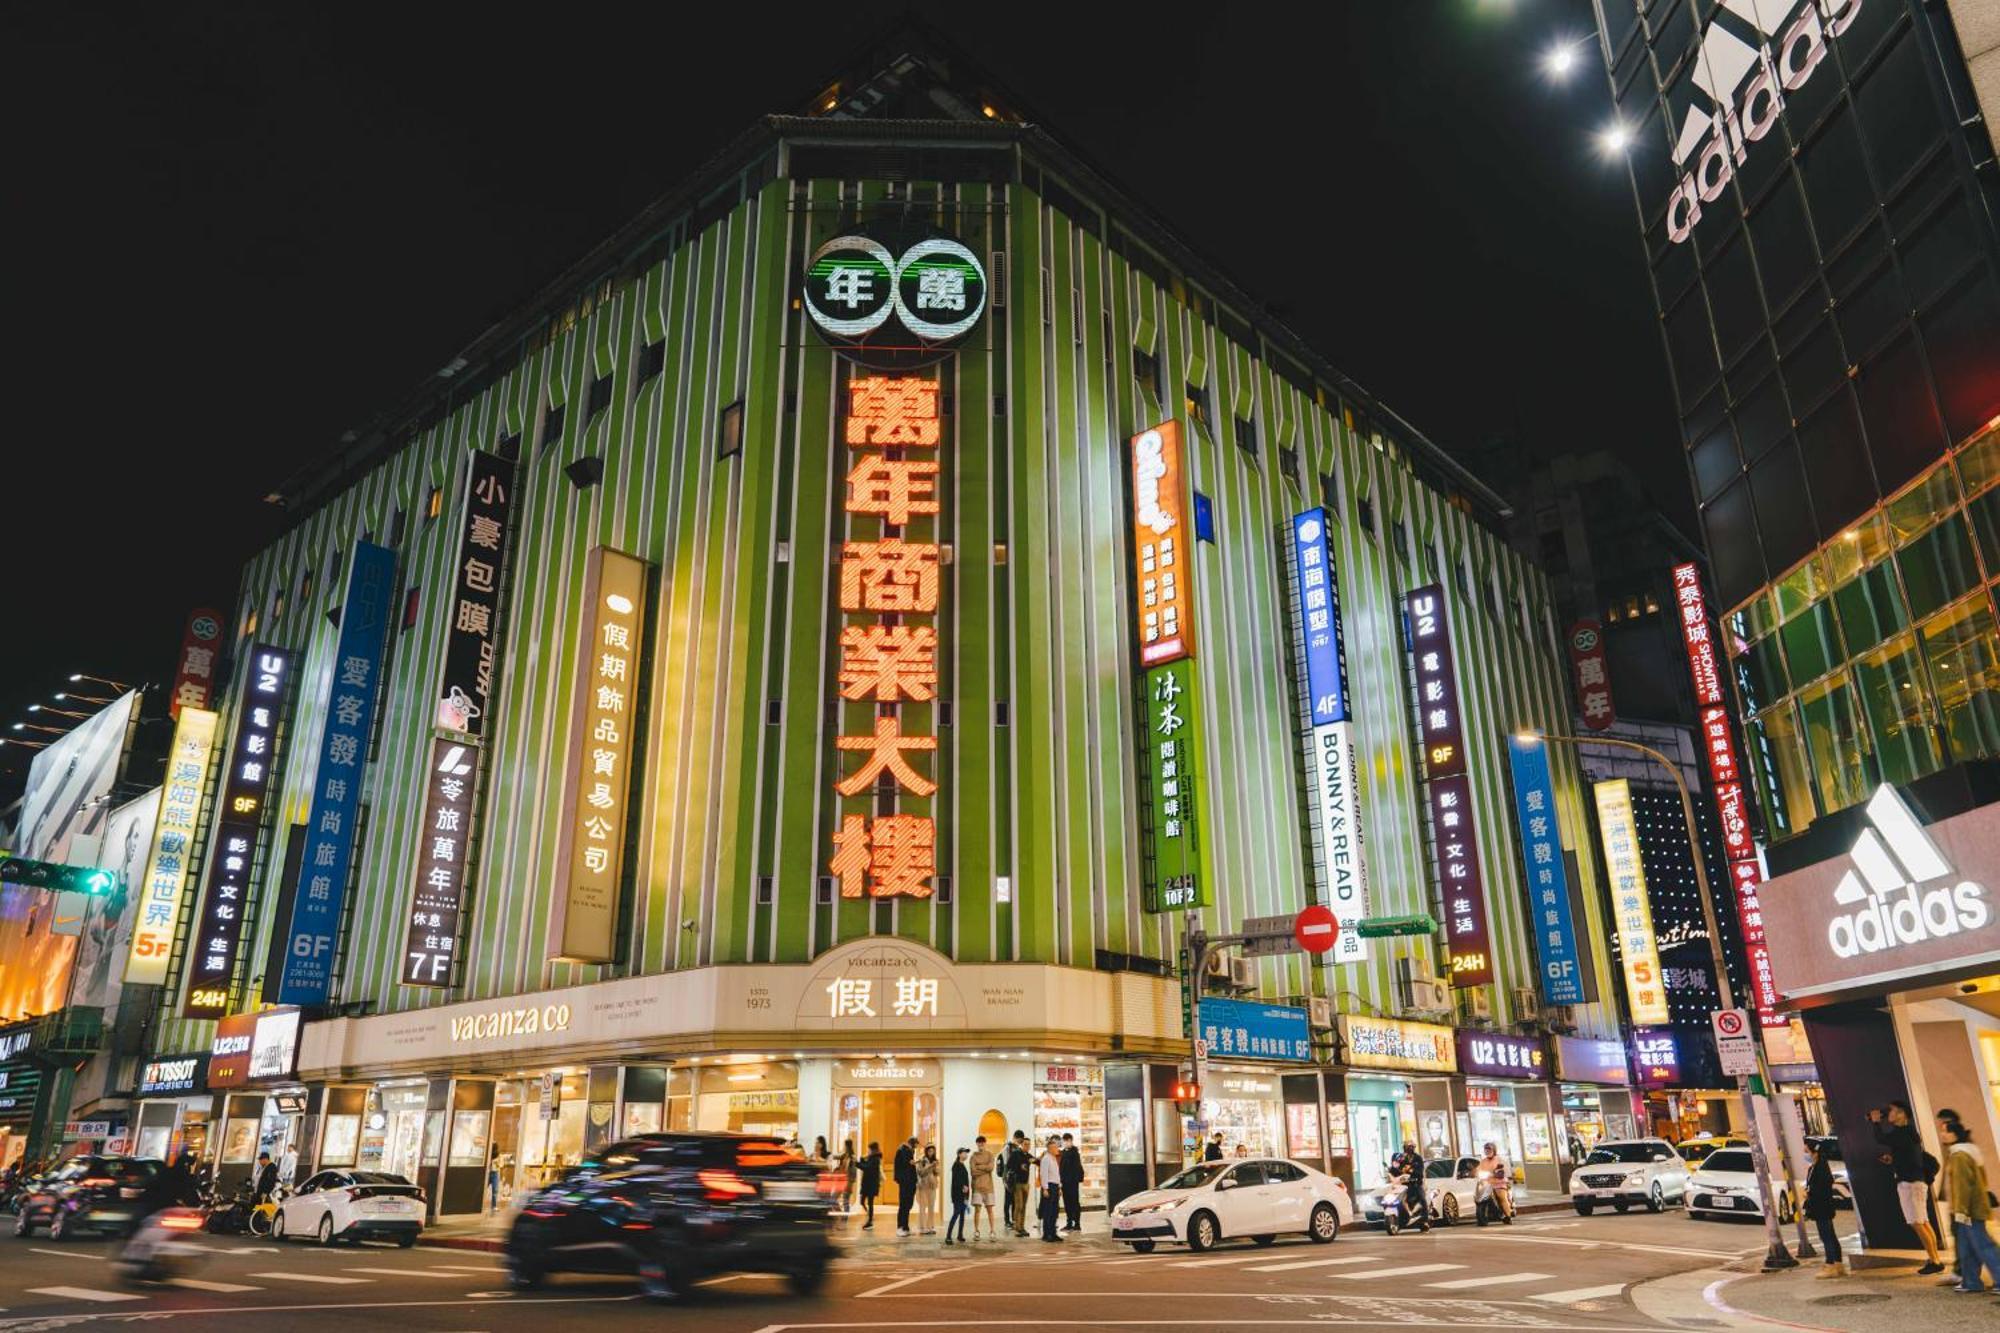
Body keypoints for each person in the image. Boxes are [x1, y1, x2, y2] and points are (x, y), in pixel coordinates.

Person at [1870, 1101, 1944, 1274]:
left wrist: (1875, 1122)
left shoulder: (1902, 1133)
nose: (1889, 1113)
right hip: (1916, 1182)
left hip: (1910, 1184)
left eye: (1893, 1110)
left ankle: (1935, 1260)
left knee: (1917, 1223)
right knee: (1923, 1222)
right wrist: (1893, 1160)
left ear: (1902, 1114)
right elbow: (1908, 1156)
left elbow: (1881, 1138)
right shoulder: (1908, 1133)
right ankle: (1934, 1258)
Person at [1937, 1110, 2000, 1293]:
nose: (1942, 1134)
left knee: (1983, 1245)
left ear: (1955, 1135)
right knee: (1967, 1248)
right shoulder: (1967, 1152)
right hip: (1966, 1210)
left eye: (1946, 1131)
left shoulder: (1959, 1156)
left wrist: (1961, 1211)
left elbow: (1962, 1186)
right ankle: (1971, 1282)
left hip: (1968, 1211)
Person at [1805, 1136, 1845, 1279]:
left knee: (1826, 1236)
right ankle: (1838, 1263)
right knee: (1830, 1235)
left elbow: (1820, 1187)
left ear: (1814, 1152)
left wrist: (1809, 1193)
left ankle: (1831, 1265)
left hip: (1822, 1206)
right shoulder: (1815, 1167)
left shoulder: (1820, 1168)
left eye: (1807, 1152)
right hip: (1821, 1206)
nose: (1806, 1155)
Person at [1389, 1140, 1430, 1233]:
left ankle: (1425, 1221)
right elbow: (1394, 1169)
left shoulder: (1418, 1158)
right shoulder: (1401, 1158)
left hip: (1415, 1184)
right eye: (1407, 1146)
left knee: (1422, 1199)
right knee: (1396, 1198)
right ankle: (1398, 1220)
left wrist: (1412, 1171)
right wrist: (1391, 1170)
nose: (1409, 1148)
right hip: (1403, 1185)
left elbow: (1420, 1172)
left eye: (1411, 1146)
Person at [1475, 1141, 1513, 1222]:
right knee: (1479, 1195)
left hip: (1498, 1182)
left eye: (1489, 1149)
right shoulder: (1483, 1161)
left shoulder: (1499, 1159)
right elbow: (1478, 1169)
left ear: (1494, 1150)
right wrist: (1473, 1173)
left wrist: (1498, 1172)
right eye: (1486, 1150)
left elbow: (1503, 1169)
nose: (1487, 1151)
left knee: (1502, 1197)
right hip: (1487, 1183)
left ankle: (1508, 1216)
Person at [968, 1135, 996, 1239]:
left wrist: (979, 1166)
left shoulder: (990, 1155)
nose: (981, 1144)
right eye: (979, 1142)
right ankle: (976, 1231)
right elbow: (973, 1172)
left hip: (989, 1187)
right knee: (977, 1210)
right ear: (977, 1144)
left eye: (982, 1142)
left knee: (990, 1210)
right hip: (977, 1187)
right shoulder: (973, 1156)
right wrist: (985, 1168)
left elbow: (991, 1167)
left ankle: (992, 1230)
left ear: (985, 1143)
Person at [1006, 1132, 1034, 1237]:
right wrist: (1019, 1166)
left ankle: (1021, 1227)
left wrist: (1038, 1159)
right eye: (1026, 1144)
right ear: (1021, 1145)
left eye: (1029, 1145)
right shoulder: (1015, 1154)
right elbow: (1009, 1165)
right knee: (1019, 1205)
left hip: (1026, 1184)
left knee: (1024, 1206)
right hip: (1017, 1184)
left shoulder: (1028, 1156)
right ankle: (1017, 1226)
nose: (1028, 1146)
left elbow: (1037, 1162)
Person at [1037, 1135, 1064, 1242]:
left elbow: (1056, 1175)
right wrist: (1045, 1188)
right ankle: (1046, 1234)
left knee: (1054, 1211)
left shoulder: (1053, 1159)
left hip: (1055, 1186)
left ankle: (1053, 1233)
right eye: (1055, 1147)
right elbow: (1044, 1174)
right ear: (1050, 1149)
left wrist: (1060, 1187)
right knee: (1048, 1211)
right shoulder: (1046, 1159)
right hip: (1049, 1186)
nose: (1057, 1149)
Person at [945, 1146, 971, 1245]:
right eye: (964, 1152)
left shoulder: (962, 1165)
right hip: (958, 1195)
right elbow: (956, 1181)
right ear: (959, 1154)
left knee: (962, 1216)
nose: (966, 1154)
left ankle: (960, 1235)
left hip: (963, 1195)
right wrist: (963, 1187)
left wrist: (967, 1194)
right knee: (956, 1214)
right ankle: (948, 1236)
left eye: (966, 1153)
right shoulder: (956, 1165)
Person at [893, 1137, 919, 1235]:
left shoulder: (907, 1150)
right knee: (904, 1204)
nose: (915, 1148)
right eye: (915, 1145)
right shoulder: (903, 1150)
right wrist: (915, 1162)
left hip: (910, 1181)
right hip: (905, 1181)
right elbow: (907, 1163)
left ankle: (905, 1227)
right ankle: (900, 1227)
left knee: (908, 1204)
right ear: (912, 1143)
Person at [1059, 1132, 1084, 1232]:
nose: (1066, 1143)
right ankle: (1069, 1223)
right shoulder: (1064, 1152)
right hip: (1065, 1182)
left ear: (1071, 1141)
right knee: (1067, 1203)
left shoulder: (1075, 1153)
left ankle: (1077, 1223)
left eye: (1068, 1141)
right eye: (1065, 1141)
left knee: (1074, 1203)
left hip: (1073, 1183)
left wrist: (1074, 1180)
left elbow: (1076, 1168)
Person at [916, 1143, 940, 1235]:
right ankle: (923, 1227)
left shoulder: (935, 1160)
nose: (931, 1153)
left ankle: (930, 1226)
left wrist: (936, 1167)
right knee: (923, 1206)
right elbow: (920, 1173)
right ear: (926, 1151)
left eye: (933, 1151)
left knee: (931, 1206)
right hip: (923, 1186)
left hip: (932, 1185)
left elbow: (938, 1173)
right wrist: (930, 1166)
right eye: (930, 1151)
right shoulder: (921, 1160)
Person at [858, 1141, 882, 1229]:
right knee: (862, 1201)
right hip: (867, 1184)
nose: (868, 1151)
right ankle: (869, 1216)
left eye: (869, 1149)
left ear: (873, 1150)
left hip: (871, 1185)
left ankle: (870, 1221)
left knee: (870, 1202)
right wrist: (862, 1159)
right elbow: (866, 1165)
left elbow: (867, 1168)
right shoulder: (872, 1158)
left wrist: (857, 1164)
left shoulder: (875, 1159)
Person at [837, 1137, 858, 1215]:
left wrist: (851, 1182)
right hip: (841, 1180)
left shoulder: (852, 1158)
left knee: (845, 1201)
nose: (844, 1147)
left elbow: (853, 1172)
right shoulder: (844, 1156)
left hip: (848, 1181)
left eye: (845, 1145)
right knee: (834, 1198)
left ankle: (844, 1219)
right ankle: (841, 1216)